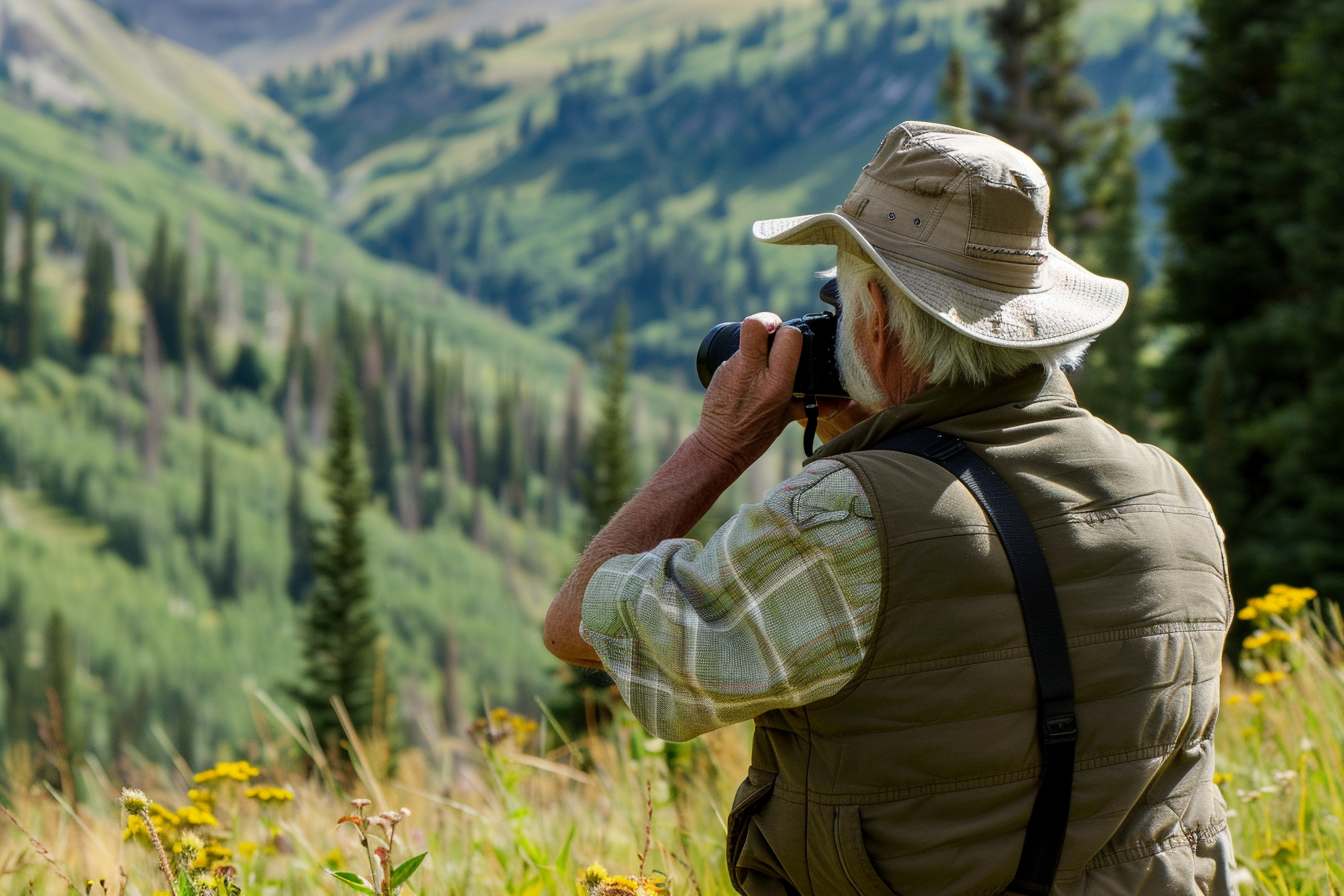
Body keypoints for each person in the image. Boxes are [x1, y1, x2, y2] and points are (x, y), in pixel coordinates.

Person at [544, 122, 1238, 896]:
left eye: (839, 302)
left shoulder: (848, 520)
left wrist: (718, 446)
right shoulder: (1172, 493)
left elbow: (580, 625)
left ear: (875, 321)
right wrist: (893, 438)